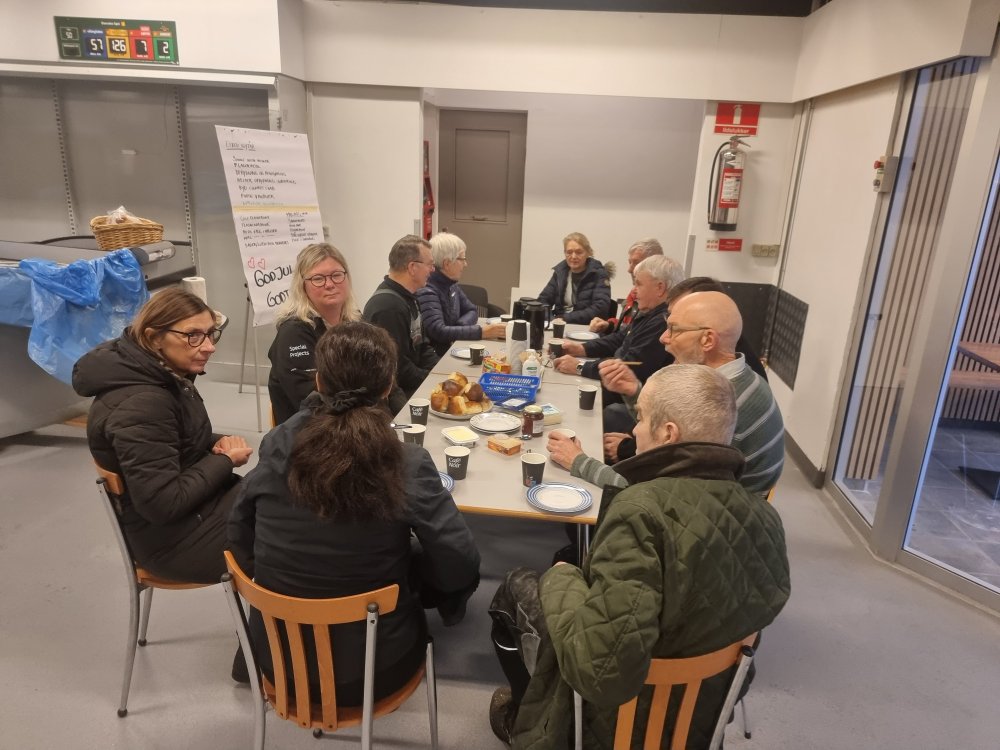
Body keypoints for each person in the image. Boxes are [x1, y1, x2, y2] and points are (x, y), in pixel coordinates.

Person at [490, 364, 791, 749]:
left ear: (668, 433)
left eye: (642, 417)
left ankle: (524, 716)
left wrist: (562, 578)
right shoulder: (766, 518)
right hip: (702, 717)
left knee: (518, 584)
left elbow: (599, 672)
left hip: (620, 725)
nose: (634, 430)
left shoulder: (641, 512)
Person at [228, 321, 480, 706]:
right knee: (423, 555)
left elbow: (239, 533)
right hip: (377, 673)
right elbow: (460, 560)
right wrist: (432, 592)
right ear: (388, 387)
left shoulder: (278, 445)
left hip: (277, 664)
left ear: (318, 381)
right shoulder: (407, 462)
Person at [72, 288, 252, 584]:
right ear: (154, 337)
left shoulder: (159, 375)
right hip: (176, 545)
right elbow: (164, 503)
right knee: (296, 531)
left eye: (211, 334)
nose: (209, 347)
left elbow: (169, 439)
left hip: (194, 517)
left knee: (286, 496)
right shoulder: (143, 404)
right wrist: (224, 461)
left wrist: (213, 443)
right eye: (193, 335)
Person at [598, 291, 785, 494]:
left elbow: (654, 492)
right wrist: (634, 391)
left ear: (707, 340)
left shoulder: (717, 404)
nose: (663, 337)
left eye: (673, 329)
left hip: (709, 507)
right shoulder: (744, 377)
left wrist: (580, 462)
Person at [551, 255, 682, 387]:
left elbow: (630, 366)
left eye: (638, 284)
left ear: (660, 288)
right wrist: (581, 348)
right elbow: (619, 339)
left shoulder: (662, 321)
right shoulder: (650, 312)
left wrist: (580, 367)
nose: (633, 291)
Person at [267, 242, 361, 425]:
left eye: (336, 275)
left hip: (354, 419)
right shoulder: (293, 333)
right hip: (314, 431)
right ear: (302, 286)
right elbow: (313, 404)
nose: (330, 284)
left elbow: (382, 375)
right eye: (318, 279)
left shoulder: (355, 320)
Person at [363, 234, 441, 413]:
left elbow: (422, 346)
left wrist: (440, 372)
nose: (432, 270)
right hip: (396, 397)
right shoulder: (388, 307)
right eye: (430, 264)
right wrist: (433, 380)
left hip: (411, 386)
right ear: (412, 267)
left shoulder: (409, 297)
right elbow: (398, 368)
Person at [416, 232, 506, 356]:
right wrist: (482, 332)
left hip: (451, 348)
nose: (465, 264)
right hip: (437, 357)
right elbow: (438, 331)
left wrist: (460, 328)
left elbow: (472, 310)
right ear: (447, 264)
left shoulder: (451, 285)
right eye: (462, 259)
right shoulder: (427, 291)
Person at [588, 238, 664, 334]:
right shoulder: (634, 292)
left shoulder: (655, 301)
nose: (629, 269)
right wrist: (609, 325)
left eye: (636, 263)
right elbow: (626, 327)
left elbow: (631, 336)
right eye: (630, 262)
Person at [536, 232, 612, 324]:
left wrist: (564, 319)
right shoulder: (560, 273)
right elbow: (542, 302)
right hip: (559, 324)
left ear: (588, 253)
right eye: (569, 252)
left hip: (586, 327)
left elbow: (600, 309)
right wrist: (551, 320)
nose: (573, 256)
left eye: (579, 252)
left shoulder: (599, 274)